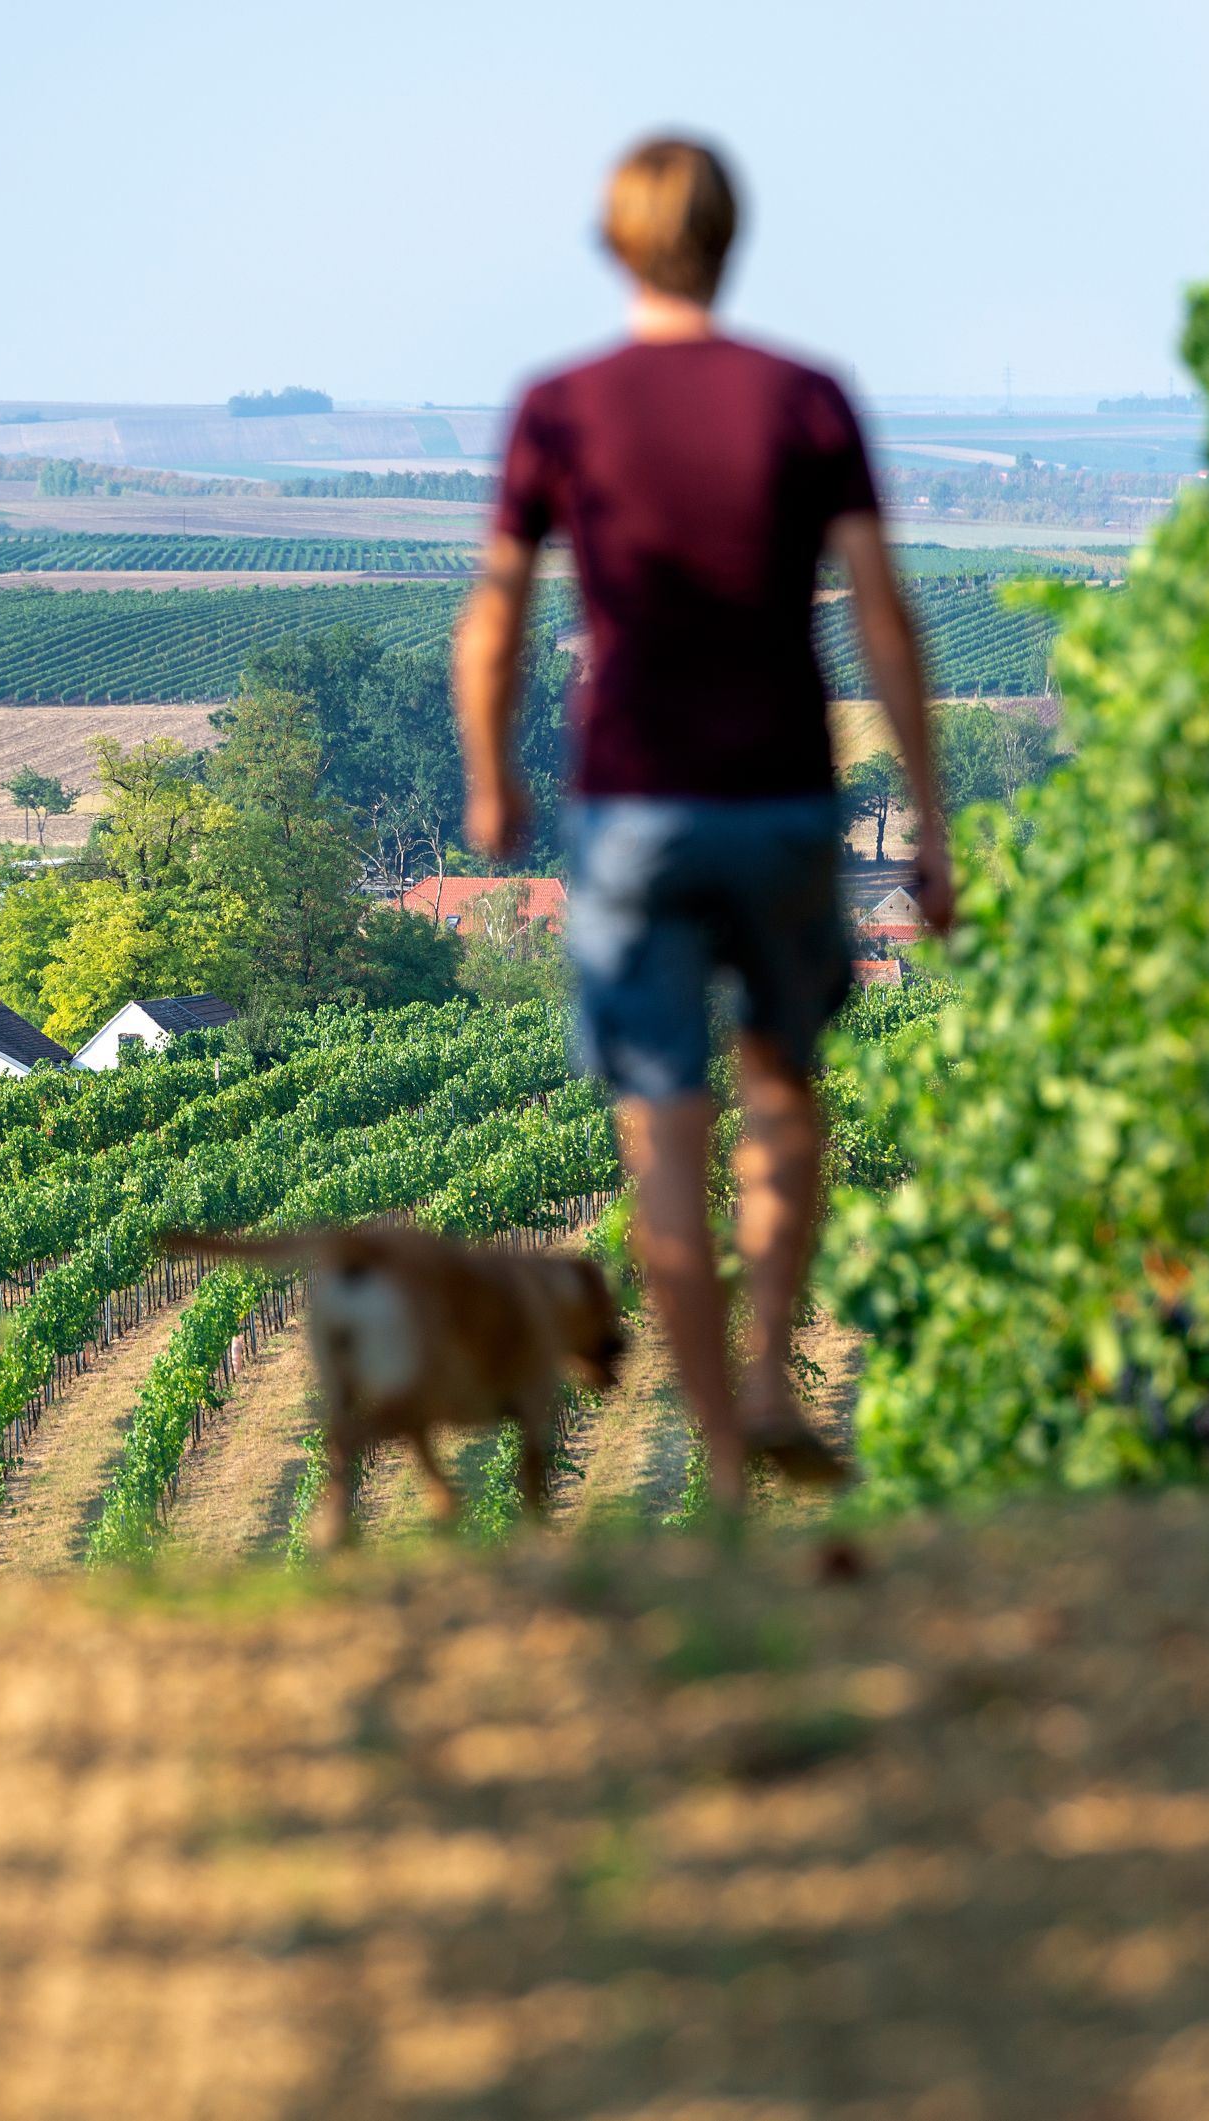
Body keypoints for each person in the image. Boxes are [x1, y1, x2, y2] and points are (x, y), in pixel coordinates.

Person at [452, 134, 952, 1512]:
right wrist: (932, 821)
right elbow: (887, 617)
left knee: (660, 1131)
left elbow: (495, 613)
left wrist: (492, 778)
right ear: (731, 238)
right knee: (784, 1090)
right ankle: (778, 1375)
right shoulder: (806, 399)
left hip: (630, 808)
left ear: (616, 245)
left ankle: (725, 1458)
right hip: (784, 797)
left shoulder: (560, 405)